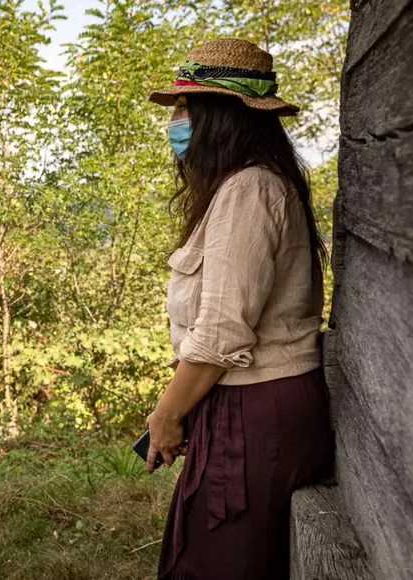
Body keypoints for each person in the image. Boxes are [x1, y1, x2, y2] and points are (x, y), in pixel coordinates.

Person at [145, 39, 333, 579]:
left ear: (218, 117)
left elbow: (223, 332)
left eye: (186, 107)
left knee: (221, 563)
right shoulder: (247, 185)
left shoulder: (248, 190)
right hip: (250, 405)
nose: (176, 121)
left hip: (255, 410)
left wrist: (166, 415)